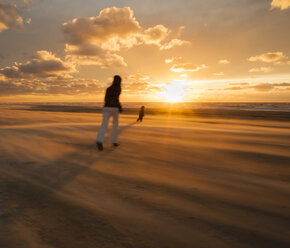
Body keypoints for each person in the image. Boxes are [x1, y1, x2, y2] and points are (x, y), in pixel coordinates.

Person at [96, 75, 122, 151]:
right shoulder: (119, 88)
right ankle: (114, 141)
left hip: (107, 107)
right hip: (114, 108)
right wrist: (120, 107)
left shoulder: (108, 89)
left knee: (104, 125)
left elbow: (106, 99)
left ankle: (99, 141)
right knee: (115, 125)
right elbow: (117, 99)